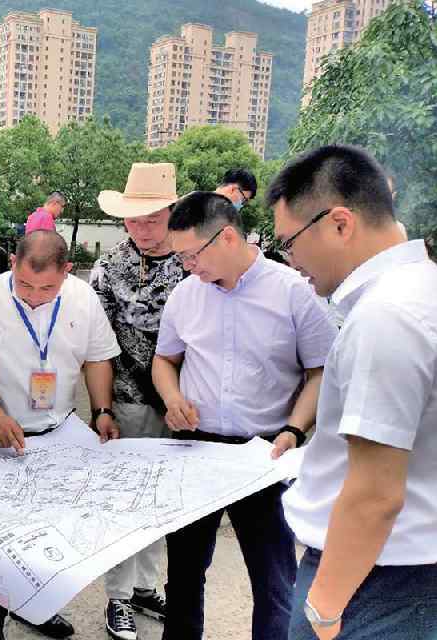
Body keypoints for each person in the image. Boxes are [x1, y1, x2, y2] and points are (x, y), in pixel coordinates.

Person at [267, 145, 437, 640]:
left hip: (378, 581)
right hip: (398, 569)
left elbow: (374, 495)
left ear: (340, 223)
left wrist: (322, 606)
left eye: (291, 242)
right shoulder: (421, 286)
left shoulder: (387, 316)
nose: (292, 261)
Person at [151, 191, 338, 640]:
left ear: (227, 237)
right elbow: (164, 361)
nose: (186, 266)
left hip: (266, 453)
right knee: (185, 571)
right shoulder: (185, 295)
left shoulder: (293, 291)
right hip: (196, 448)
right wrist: (172, 397)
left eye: (191, 255)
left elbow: (321, 370)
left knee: (273, 578)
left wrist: (295, 428)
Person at [0, 230, 122, 640]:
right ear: (13, 264)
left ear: (67, 272)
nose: (33, 295)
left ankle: (36, 608)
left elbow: (98, 358)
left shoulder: (82, 298)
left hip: (61, 430)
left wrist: (101, 410)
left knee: (49, 534)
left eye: (47, 287)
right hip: (3, 435)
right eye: (25, 284)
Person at [90, 163, 184, 640]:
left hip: (185, 407)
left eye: (152, 218)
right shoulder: (109, 267)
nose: (142, 228)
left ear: (172, 212)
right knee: (124, 501)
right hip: (127, 401)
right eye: (133, 219)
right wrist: (102, 408)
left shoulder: (193, 262)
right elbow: (97, 346)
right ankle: (118, 597)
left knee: (164, 502)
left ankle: (146, 586)